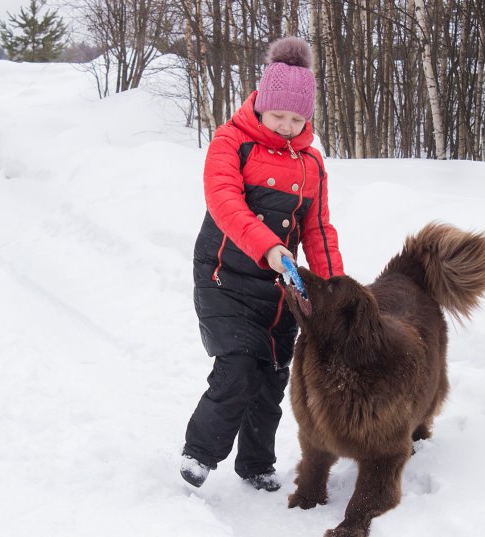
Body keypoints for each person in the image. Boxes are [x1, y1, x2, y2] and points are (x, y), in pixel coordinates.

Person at [181, 36, 345, 492]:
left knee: (271, 381)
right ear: (260, 104)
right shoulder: (231, 142)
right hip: (224, 278)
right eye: (279, 116)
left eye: (298, 118)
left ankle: (255, 464)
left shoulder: (312, 162)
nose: (289, 126)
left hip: (277, 292)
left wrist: (333, 287)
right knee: (237, 367)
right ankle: (200, 454)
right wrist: (270, 247)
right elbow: (224, 202)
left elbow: (318, 230)